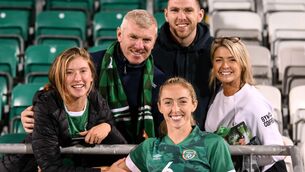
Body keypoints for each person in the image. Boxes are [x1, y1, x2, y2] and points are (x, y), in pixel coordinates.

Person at [21, 9, 166, 144]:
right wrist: (33, 112)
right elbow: (52, 92)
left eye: (146, 40)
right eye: (133, 37)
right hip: (88, 153)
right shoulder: (90, 64)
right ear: (119, 35)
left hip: (137, 157)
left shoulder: (160, 79)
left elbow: (163, 128)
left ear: (154, 41)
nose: (139, 45)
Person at [0, 47, 127, 172]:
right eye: (69, 72)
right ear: (59, 78)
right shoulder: (46, 106)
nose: (78, 78)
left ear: (92, 76)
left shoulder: (96, 99)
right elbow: (51, 167)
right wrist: (104, 171)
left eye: (83, 71)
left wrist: (107, 127)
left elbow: (118, 143)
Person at [107, 77, 236, 172]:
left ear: (194, 104)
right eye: (168, 102)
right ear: (160, 107)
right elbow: (117, 169)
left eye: (182, 102)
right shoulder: (149, 147)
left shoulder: (213, 144)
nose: (175, 109)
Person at [205, 37, 287, 172]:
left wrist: (242, 156)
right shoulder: (217, 95)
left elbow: (276, 150)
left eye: (232, 60)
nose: (225, 66)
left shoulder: (254, 102)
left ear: (242, 63)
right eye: (219, 60)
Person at [152, 0, 214, 129]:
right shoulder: (150, 50)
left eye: (188, 10)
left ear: (200, 15)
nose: (181, 17)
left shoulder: (215, 52)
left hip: (205, 141)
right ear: (166, 14)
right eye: (175, 10)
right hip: (159, 141)